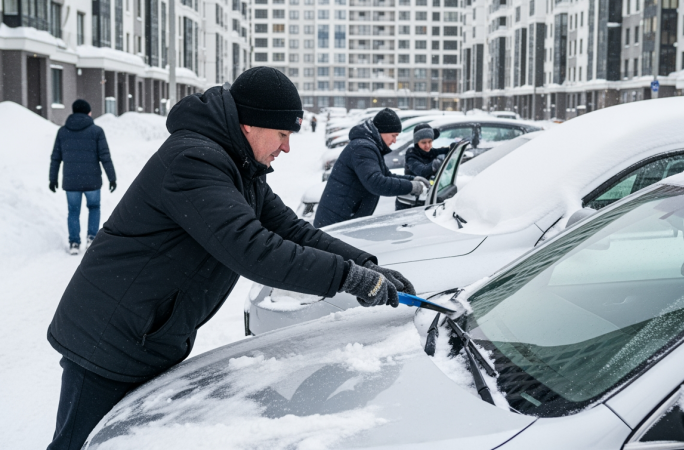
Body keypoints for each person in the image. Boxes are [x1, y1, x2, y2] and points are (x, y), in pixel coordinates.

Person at [45, 67, 416, 450]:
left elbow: (292, 230)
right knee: (79, 444)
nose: (287, 147)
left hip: (145, 334)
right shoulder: (193, 161)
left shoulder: (239, 167)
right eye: (282, 134)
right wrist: (348, 278)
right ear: (250, 125)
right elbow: (253, 249)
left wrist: (364, 264)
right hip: (108, 339)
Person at [314, 108, 430, 228]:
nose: (394, 141)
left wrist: (412, 179)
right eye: (393, 135)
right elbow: (376, 183)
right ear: (382, 131)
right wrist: (411, 186)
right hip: (336, 222)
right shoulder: (363, 148)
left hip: (344, 218)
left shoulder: (369, 146)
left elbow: (386, 175)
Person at [49, 99, 117, 255]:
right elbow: (105, 156)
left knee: (73, 211)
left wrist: (52, 179)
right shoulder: (97, 131)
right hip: (92, 181)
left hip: (71, 181)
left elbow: (56, 158)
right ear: (88, 112)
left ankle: (74, 243)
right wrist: (112, 178)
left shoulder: (62, 132)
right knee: (94, 207)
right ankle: (91, 238)